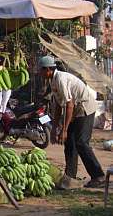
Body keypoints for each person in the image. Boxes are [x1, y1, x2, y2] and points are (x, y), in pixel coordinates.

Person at [39, 55, 105, 188]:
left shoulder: (61, 79)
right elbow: (58, 105)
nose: (39, 73)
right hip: (75, 109)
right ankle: (70, 177)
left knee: (81, 142)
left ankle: (98, 176)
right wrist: (54, 128)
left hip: (85, 108)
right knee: (69, 142)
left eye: (41, 70)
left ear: (48, 70)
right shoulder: (52, 81)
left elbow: (69, 105)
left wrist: (64, 129)